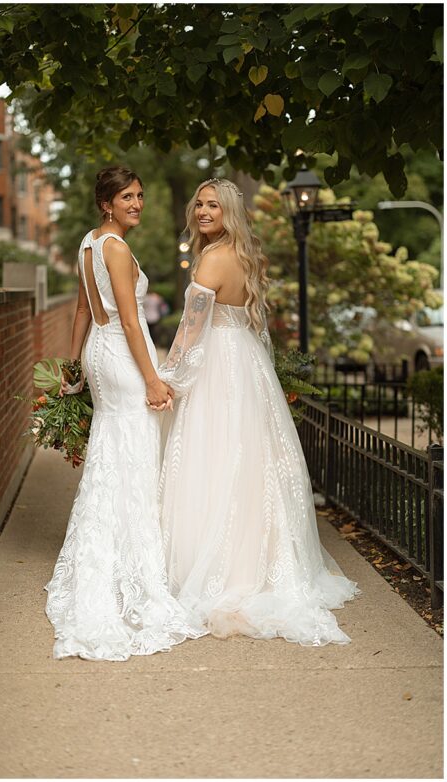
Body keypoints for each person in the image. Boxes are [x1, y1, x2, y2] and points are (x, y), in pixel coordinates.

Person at [157, 178, 359, 645]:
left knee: (213, 461)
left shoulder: (210, 258)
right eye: (200, 204)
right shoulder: (245, 256)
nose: (204, 211)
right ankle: (254, 563)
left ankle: (218, 571)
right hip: (245, 364)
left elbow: (190, 330)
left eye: (214, 206)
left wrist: (167, 378)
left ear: (228, 212)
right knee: (247, 465)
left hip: (217, 365)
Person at [45, 167, 205, 661]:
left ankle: (109, 552)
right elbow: (131, 321)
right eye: (127, 197)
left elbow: (79, 311)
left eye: (140, 195)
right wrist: (153, 378)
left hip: (98, 351)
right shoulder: (113, 248)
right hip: (120, 355)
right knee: (134, 453)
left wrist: (72, 367)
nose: (137, 203)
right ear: (106, 203)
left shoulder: (87, 244)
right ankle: (134, 566)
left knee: (112, 451)